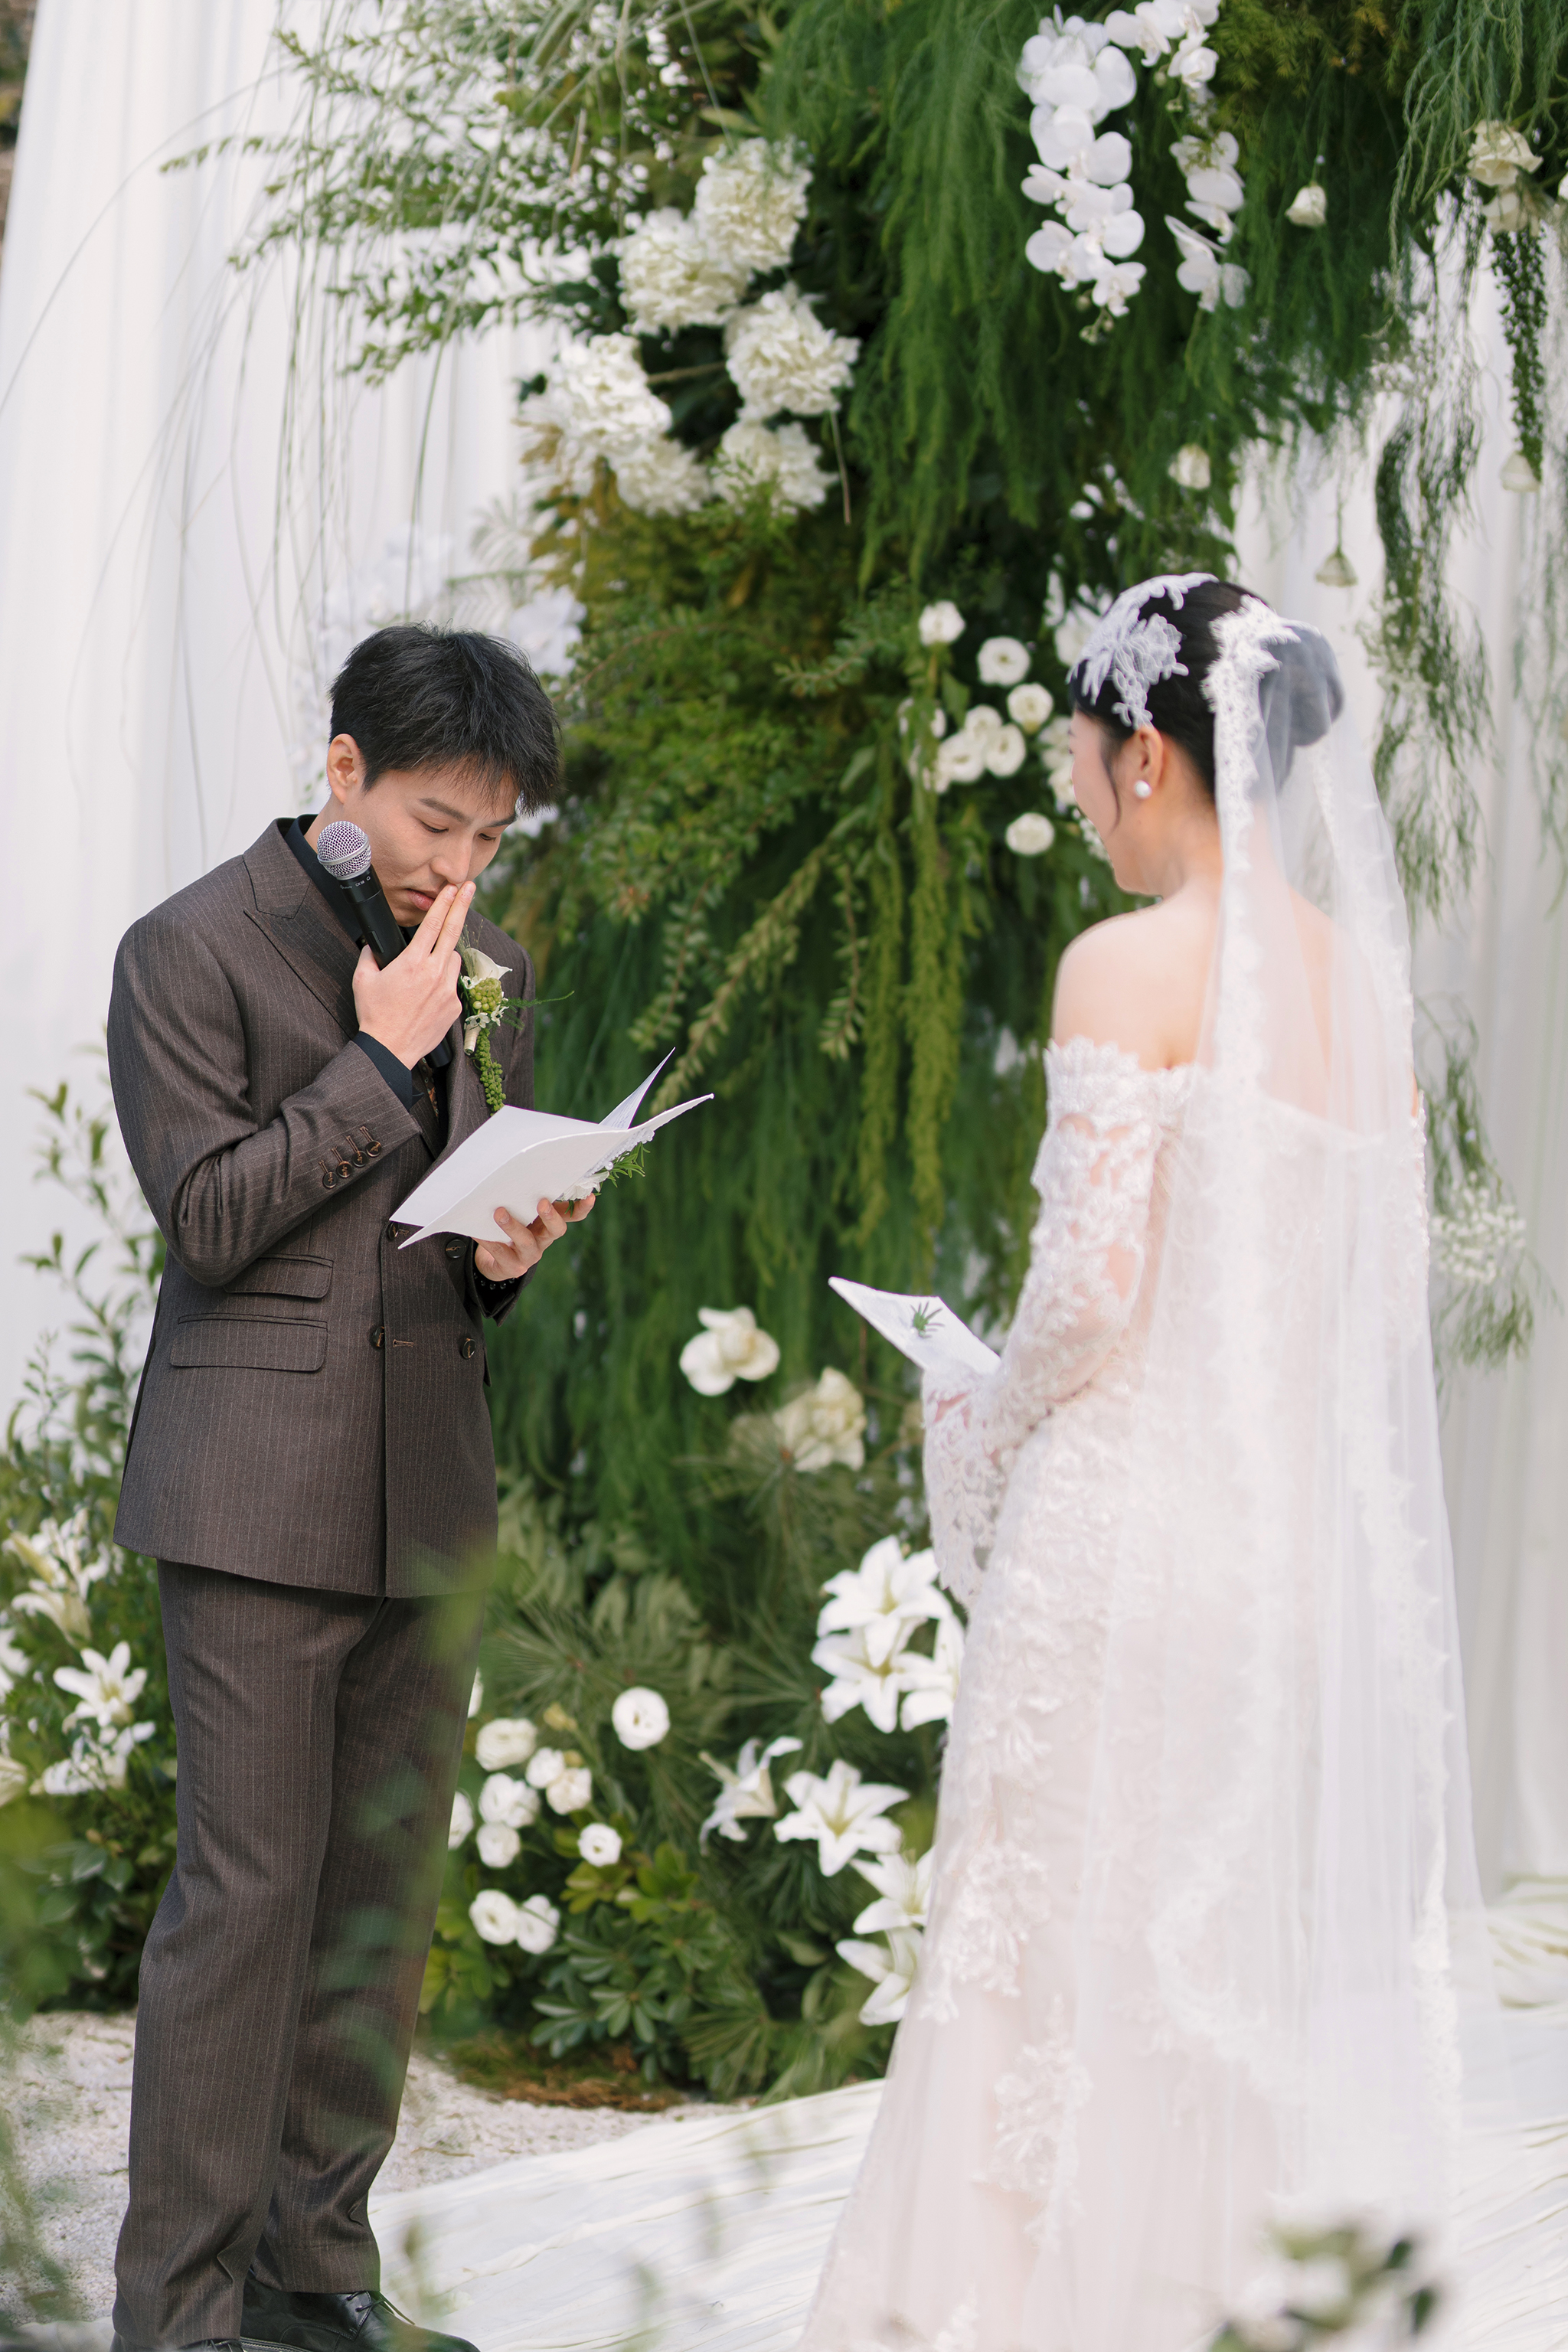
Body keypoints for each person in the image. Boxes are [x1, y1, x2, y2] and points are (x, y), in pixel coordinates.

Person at [795, 580, 1565, 2350]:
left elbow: (1087, 1294)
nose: (1078, 794)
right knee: (1206, 1956)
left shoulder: (1126, 965)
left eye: (1081, 758)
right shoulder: (1357, 994)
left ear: (1145, 753)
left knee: (1042, 1937)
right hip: (1281, 1547)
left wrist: (978, 1408)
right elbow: (1357, 1320)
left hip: (1123, 1529)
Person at [105, 625, 593, 2352]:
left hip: (425, 1492)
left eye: (491, 839)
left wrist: (508, 1246)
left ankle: (313, 2280)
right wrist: (381, 1063)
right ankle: (175, 2317)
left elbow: (436, 1231)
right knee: (245, 1907)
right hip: (253, 1497)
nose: (461, 870)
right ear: (342, 771)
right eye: (435, 824)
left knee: (377, 1910)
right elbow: (210, 1222)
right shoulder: (185, 949)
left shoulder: (490, 959)